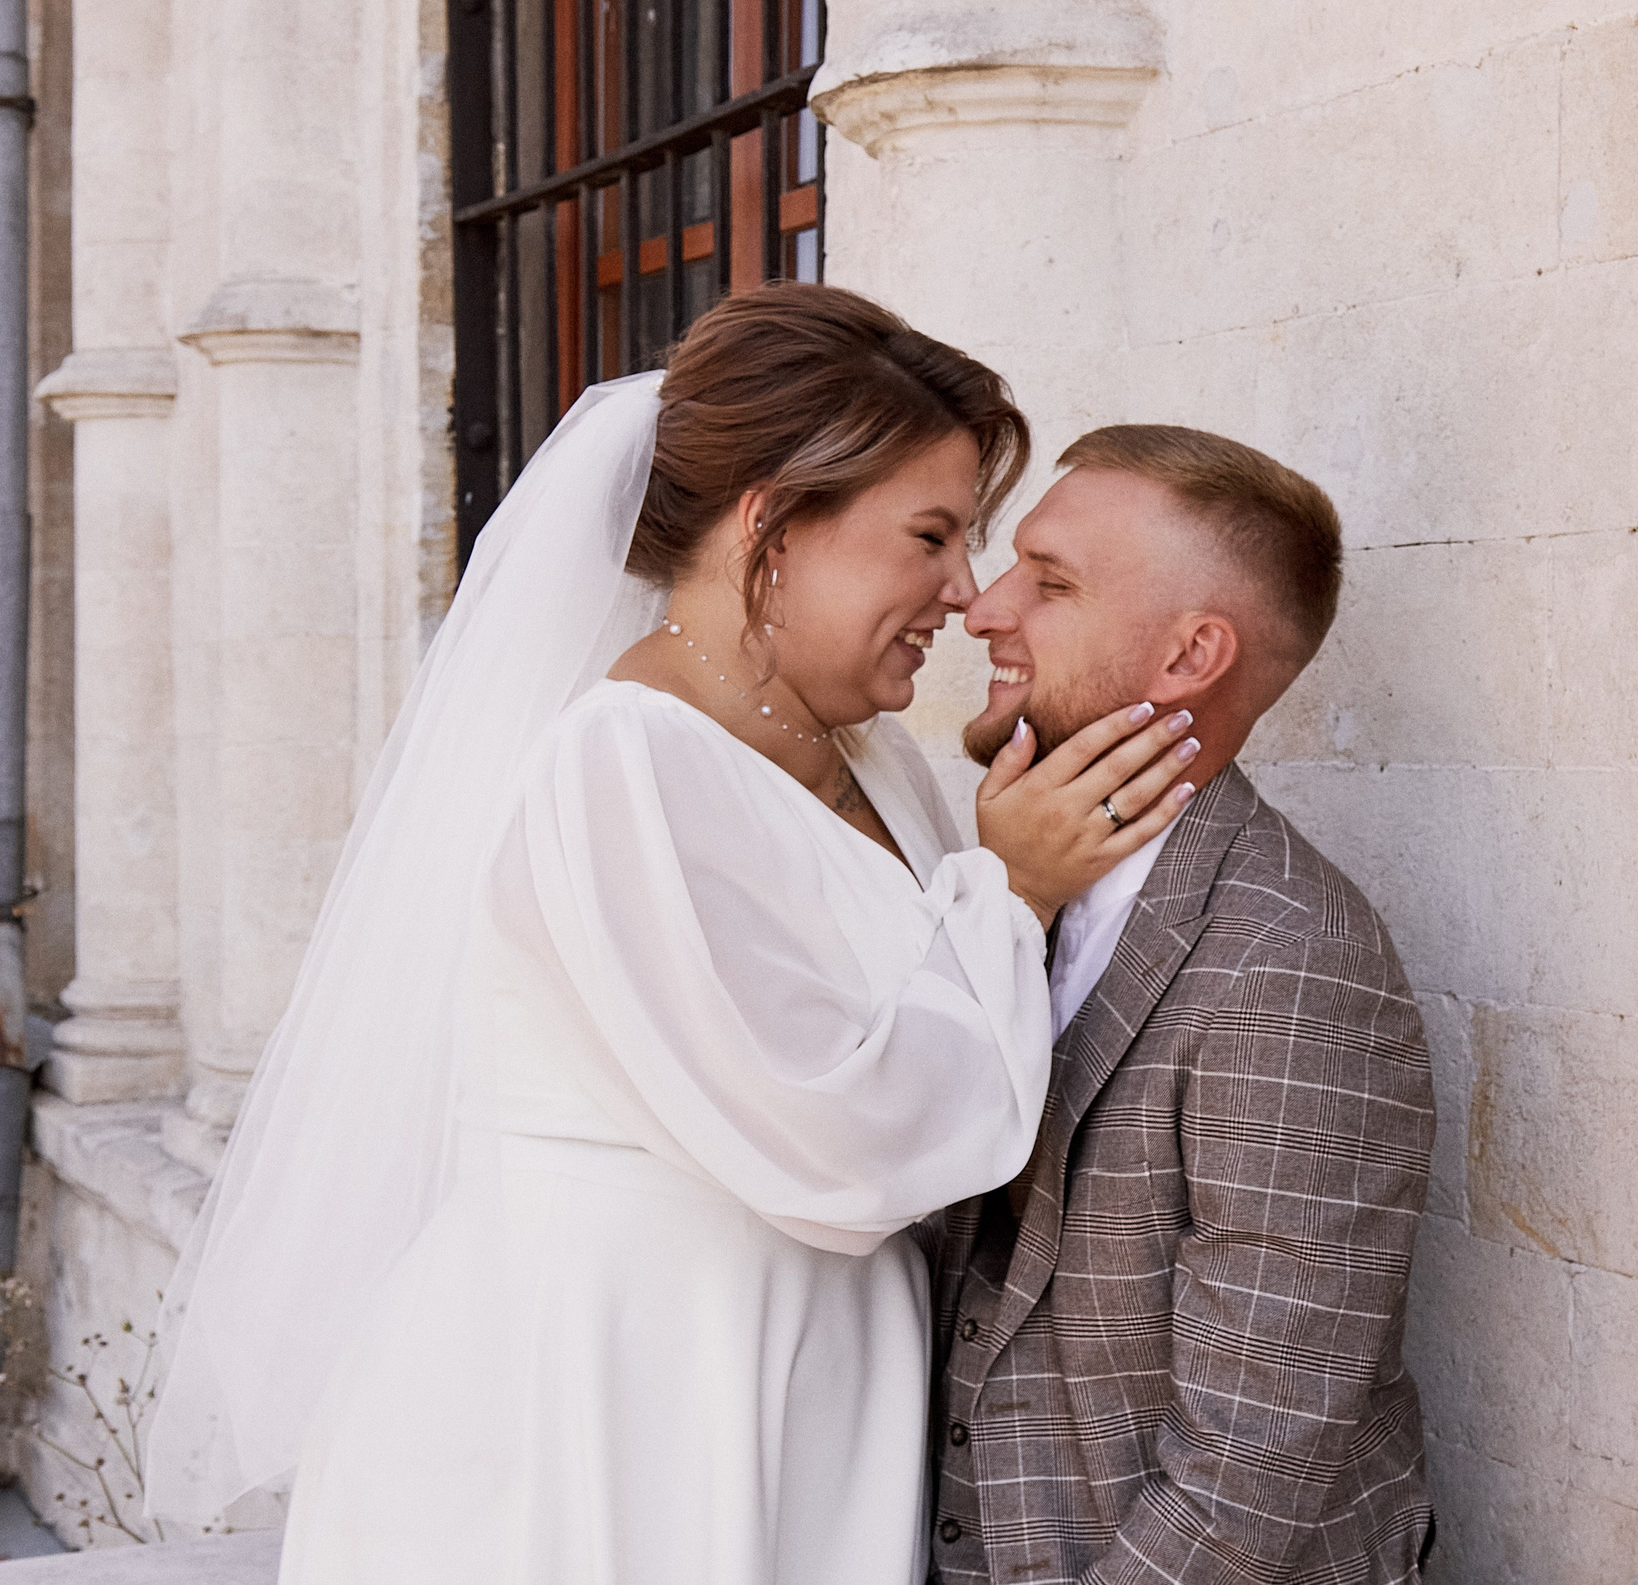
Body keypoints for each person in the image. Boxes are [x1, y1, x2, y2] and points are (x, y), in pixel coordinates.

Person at [144, 286, 1199, 1584]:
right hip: (614, 1399)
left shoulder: (883, 765)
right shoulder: (621, 770)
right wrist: (1017, 894)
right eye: (930, 535)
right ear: (773, 525)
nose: (963, 592)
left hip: (808, 1386)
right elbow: (835, 1131)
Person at [930, 425, 1438, 1584]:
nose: (983, 609)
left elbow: (1248, 1470)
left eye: (1049, 581)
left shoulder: (1291, 964)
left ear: (1189, 653)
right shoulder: (1015, 883)